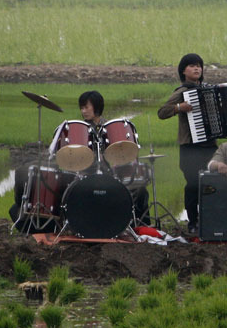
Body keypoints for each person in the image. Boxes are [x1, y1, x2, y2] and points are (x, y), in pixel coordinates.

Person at [11, 90, 149, 229]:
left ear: (97, 107)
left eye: (86, 107)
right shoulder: (79, 129)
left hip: (106, 172)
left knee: (140, 189)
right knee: (26, 172)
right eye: (81, 108)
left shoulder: (109, 128)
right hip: (80, 172)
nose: (83, 111)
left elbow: (120, 152)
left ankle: (137, 223)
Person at [158, 54, 219, 229]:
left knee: (212, 182)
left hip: (210, 145)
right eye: (192, 66)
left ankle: (212, 218)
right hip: (190, 146)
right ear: (183, 71)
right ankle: (193, 221)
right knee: (193, 183)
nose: (197, 68)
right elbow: (162, 112)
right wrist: (179, 108)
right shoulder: (182, 92)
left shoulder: (209, 89)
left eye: (199, 65)